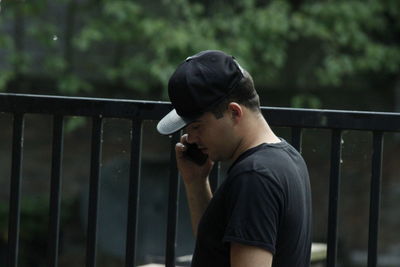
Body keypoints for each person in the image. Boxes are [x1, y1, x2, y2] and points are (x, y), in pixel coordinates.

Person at [157, 50, 312, 267]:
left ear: (234, 112)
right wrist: (196, 182)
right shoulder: (287, 158)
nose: (190, 137)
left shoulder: (255, 177)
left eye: (197, 126)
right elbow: (213, 246)